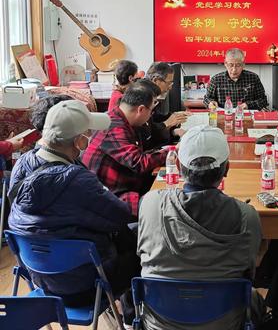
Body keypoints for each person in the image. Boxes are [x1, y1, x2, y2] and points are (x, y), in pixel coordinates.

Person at [8, 100, 138, 326]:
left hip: (41, 281)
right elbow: (122, 215)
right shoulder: (76, 180)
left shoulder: (22, 164)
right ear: (78, 140)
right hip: (85, 286)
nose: (89, 137)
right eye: (87, 133)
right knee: (140, 243)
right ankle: (130, 319)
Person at [138, 125, 263, 330]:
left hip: (159, 321)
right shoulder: (246, 216)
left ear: (178, 166)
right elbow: (249, 271)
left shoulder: (150, 204)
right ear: (227, 168)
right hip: (224, 322)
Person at [83, 79, 167, 217]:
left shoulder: (120, 119)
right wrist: (172, 152)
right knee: (162, 208)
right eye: (151, 111)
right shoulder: (114, 127)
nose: (150, 115)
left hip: (125, 186)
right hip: (111, 198)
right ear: (141, 109)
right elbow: (138, 163)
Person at [204, 48, 268, 110]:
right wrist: (210, 103)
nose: (234, 70)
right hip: (224, 116)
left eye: (238, 65)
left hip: (246, 116)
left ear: (243, 64)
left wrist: (248, 105)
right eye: (231, 65)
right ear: (225, 63)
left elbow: (263, 100)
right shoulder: (216, 79)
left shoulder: (253, 78)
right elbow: (207, 98)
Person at [144, 62, 189, 148]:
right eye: (168, 83)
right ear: (156, 81)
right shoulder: (143, 96)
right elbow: (148, 132)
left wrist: (174, 117)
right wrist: (168, 123)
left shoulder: (151, 93)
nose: (170, 87)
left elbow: (156, 119)